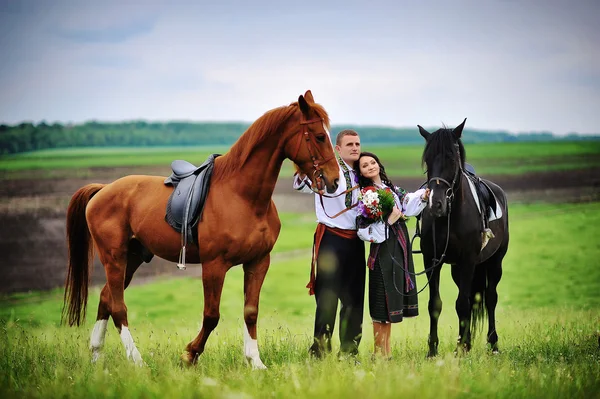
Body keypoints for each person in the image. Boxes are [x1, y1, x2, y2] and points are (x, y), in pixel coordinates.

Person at [293, 129, 365, 359]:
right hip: (331, 239)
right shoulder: (328, 169)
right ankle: (320, 350)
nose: (355, 148)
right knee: (327, 298)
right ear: (338, 149)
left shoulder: (364, 172)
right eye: (350, 144)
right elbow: (301, 184)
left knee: (354, 299)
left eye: (357, 144)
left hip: (356, 241)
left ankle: (349, 350)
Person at [354, 151, 430, 359]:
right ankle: (379, 354)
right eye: (364, 165)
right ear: (360, 172)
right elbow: (362, 228)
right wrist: (390, 221)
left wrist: (424, 195)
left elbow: (408, 200)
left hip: (399, 246)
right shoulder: (366, 195)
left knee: (390, 304)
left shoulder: (390, 189)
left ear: (378, 164)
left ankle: (386, 353)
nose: (370, 166)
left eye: (372, 162)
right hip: (382, 251)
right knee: (381, 302)